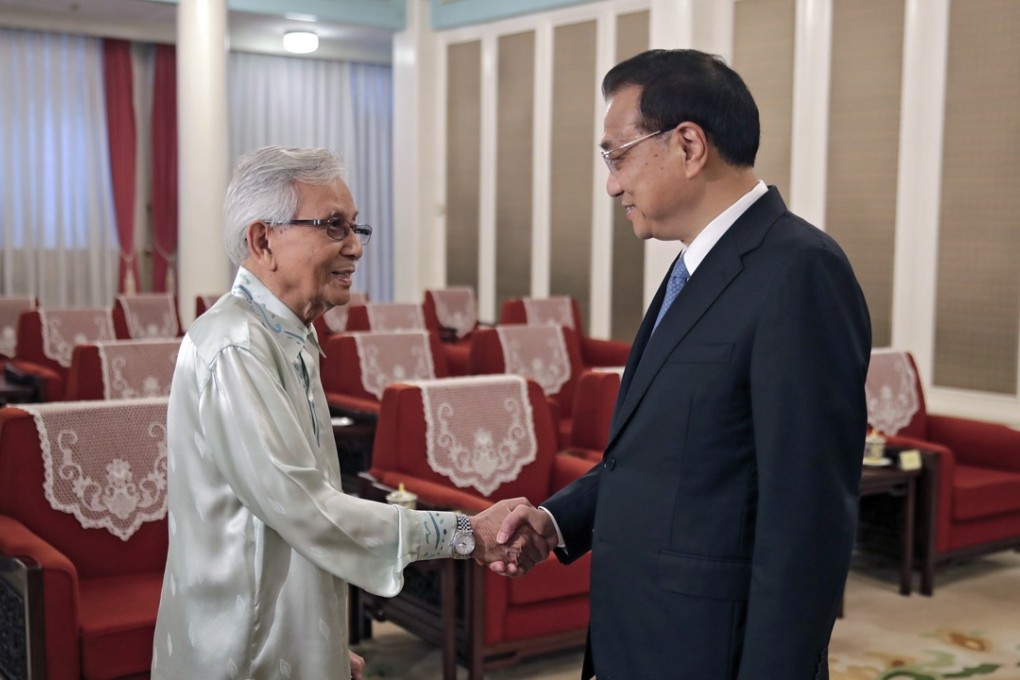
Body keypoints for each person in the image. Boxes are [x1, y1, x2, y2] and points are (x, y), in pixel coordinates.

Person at [495, 49, 872, 679]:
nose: (612, 182)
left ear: (689, 145)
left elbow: (807, 519)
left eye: (616, 154)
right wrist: (558, 520)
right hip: (640, 632)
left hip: (713, 649)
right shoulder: (693, 266)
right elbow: (664, 457)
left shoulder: (800, 270)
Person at [151, 146, 539, 679]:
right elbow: (306, 510)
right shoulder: (235, 346)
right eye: (333, 227)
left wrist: (323, 642)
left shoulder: (288, 332)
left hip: (283, 641)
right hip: (243, 651)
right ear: (263, 240)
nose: (356, 248)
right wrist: (464, 533)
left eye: (356, 228)